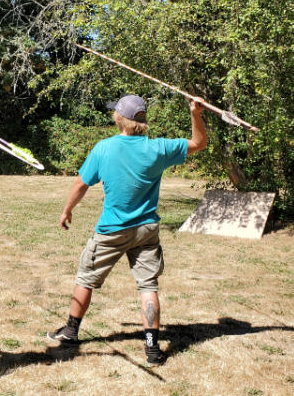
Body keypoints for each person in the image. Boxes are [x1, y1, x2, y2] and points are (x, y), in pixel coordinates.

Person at [47, 94, 207, 366]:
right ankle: (152, 348)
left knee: (86, 277)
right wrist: (195, 113)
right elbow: (199, 143)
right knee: (148, 285)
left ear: (120, 119)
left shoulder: (104, 148)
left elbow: (80, 184)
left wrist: (67, 210)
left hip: (112, 230)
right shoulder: (159, 149)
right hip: (146, 230)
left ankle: (71, 331)